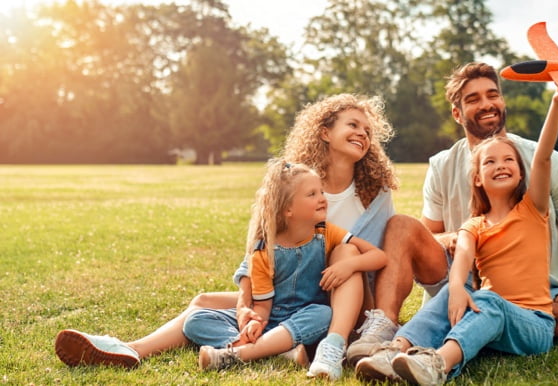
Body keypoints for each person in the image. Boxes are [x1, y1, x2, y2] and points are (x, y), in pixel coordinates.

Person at [54, 93, 399, 369]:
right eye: (353, 125)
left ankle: (266, 347)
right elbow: (258, 251)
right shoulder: (293, 185)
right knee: (202, 303)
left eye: (368, 131)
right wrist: (247, 309)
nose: (363, 134)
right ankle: (132, 349)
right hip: (280, 294)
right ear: (325, 132)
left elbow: (375, 255)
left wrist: (349, 268)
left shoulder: (374, 193)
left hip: (334, 299)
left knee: (344, 252)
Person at [347, 62, 558, 363]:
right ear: (457, 113)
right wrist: (458, 238)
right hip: (461, 280)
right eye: (473, 99)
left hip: (537, 291)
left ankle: (484, 323)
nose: (486, 104)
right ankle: (385, 330)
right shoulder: (442, 165)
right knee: (401, 225)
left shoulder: (542, 160)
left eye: (492, 94)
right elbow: (428, 237)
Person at [356, 90, 558, 384]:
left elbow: (543, 157)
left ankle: (437, 364)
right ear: (478, 177)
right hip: (490, 321)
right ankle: (393, 352)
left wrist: (556, 103)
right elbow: (462, 259)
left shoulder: (533, 210)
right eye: (490, 162)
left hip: (534, 326)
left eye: (509, 160)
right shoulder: (474, 225)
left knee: (488, 300)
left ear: (521, 173)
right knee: (453, 295)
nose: (501, 165)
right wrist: (455, 287)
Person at [188, 159, 386, 380]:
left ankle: (239, 353)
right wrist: (256, 321)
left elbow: (379, 256)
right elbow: (263, 306)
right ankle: (273, 350)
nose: (322, 198)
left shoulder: (327, 232)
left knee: (324, 313)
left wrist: (349, 265)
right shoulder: (264, 251)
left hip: (308, 318)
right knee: (196, 320)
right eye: (312, 194)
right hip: (273, 321)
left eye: (321, 192)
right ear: (287, 209)